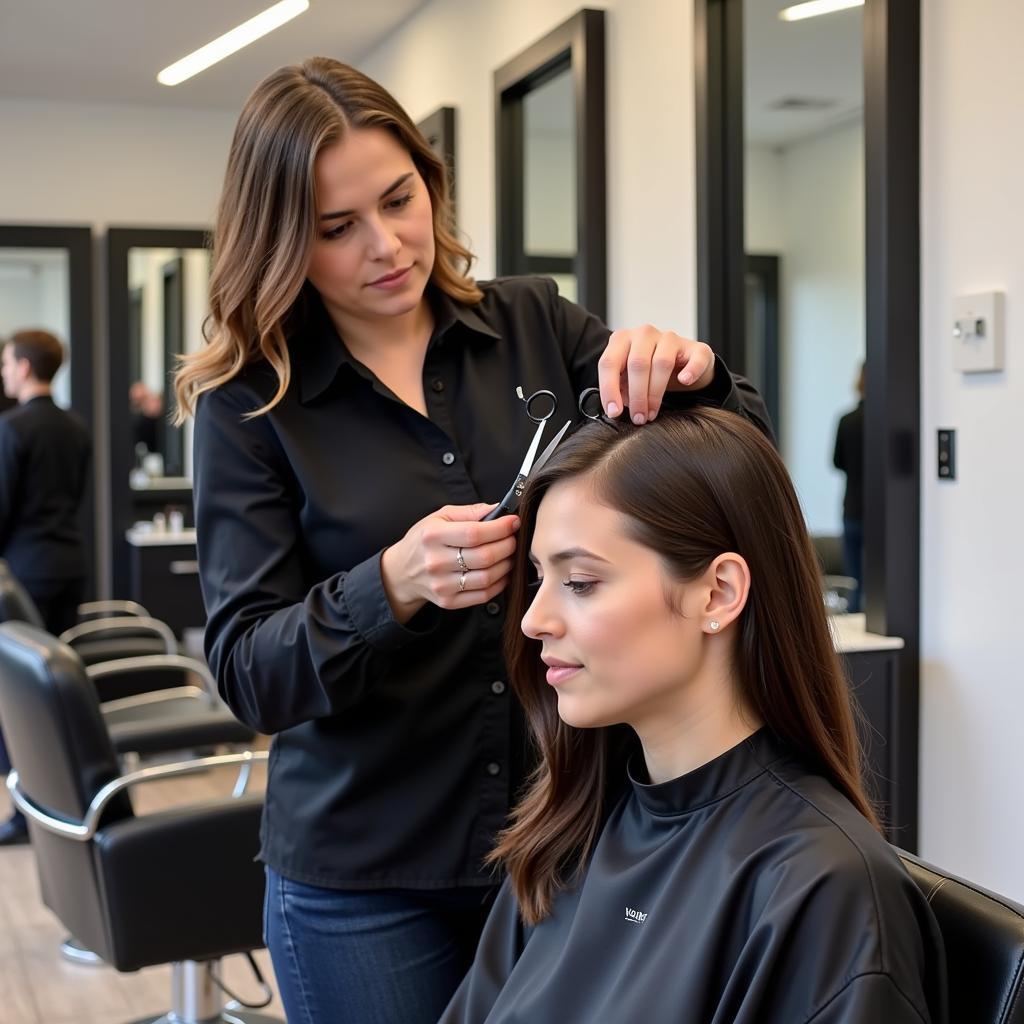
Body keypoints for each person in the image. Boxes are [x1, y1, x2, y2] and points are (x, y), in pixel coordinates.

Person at [174, 57, 770, 1024]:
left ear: (429, 181)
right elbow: (249, 671)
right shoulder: (252, 408)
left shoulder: (535, 323)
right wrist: (390, 586)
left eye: (399, 199)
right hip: (367, 882)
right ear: (283, 241)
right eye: (337, 229)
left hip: (568, 842)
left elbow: (727, 465)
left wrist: (695, 377)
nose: (387, 244)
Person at [441, 408, 946, 1024]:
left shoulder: (822, 890)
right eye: (539, 578)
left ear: (718, 593)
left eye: (579, 582)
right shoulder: (574, 827)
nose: (532, 619)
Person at [0, 330, 92, 846]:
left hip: (26, 572)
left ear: (26, 366)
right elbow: (75, 495)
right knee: (56, 690)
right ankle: (58, 803)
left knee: (19, 696)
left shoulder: (12, 429)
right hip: (68, 564)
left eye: (7, 363)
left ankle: (24, 813)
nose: (3, 372)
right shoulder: (74, 427)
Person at [833, 363, 865, 612]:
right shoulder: (886, 423)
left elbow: (837, 462)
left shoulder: (847, 420)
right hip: (880, 512)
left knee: (854, 579)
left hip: (852, 506)